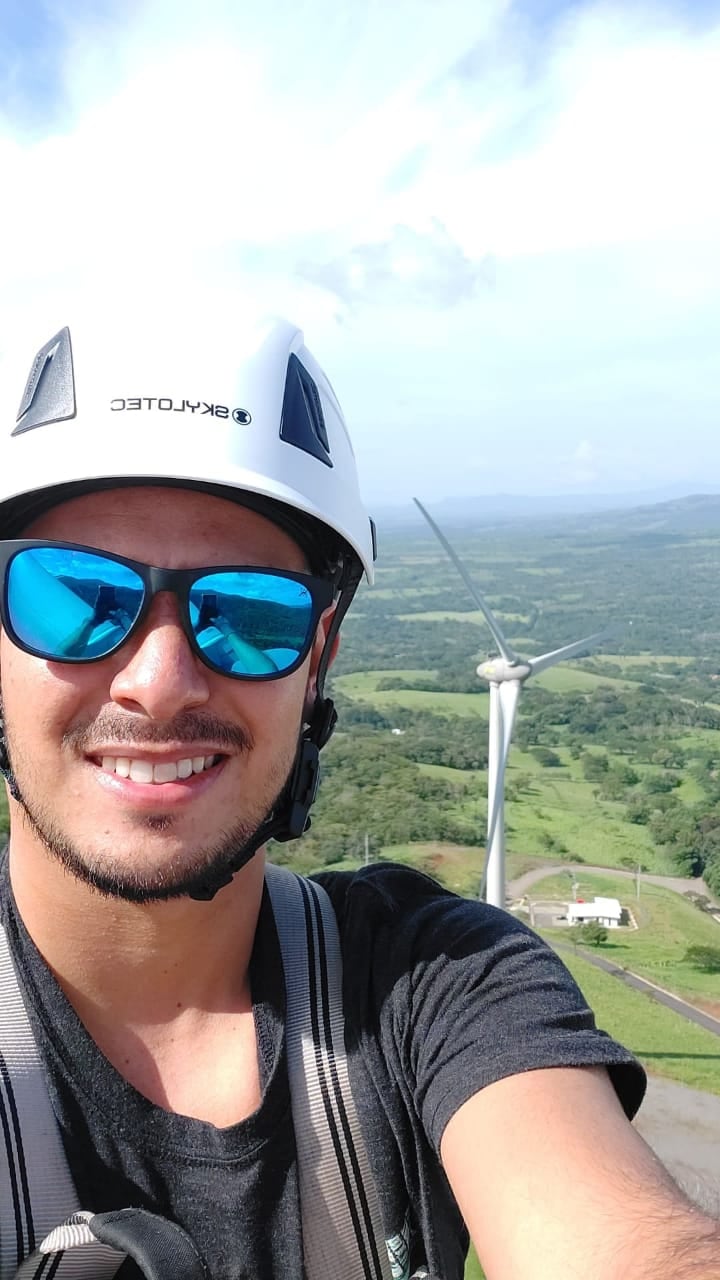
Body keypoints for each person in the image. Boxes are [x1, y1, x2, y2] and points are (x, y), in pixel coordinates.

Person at [0, 306, 718, 1280]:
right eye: (73, 597)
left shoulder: (436, 980)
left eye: (250, 610)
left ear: (321, 656)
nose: (159, 681)